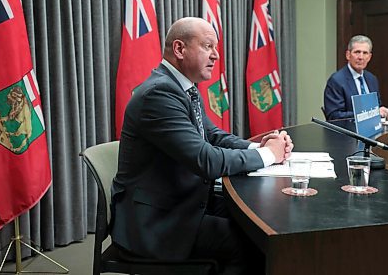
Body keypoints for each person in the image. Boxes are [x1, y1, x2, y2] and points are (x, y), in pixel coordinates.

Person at [110, 17, 293, 275]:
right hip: (155, 221)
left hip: (182, 200)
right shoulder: (159, 94)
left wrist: (257, 148)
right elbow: (207, 161)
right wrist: (268, 155)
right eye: (208, 46)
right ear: (179, 49)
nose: (216, 56)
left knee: (260, 221)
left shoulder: (183, 87)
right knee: (249, 242)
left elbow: (213, 135)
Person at [323, 35, 388, 121]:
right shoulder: (336, 81)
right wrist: (371, 114)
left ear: (369, 57)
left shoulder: (371, 79)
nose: (361, 57)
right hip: (348, 136)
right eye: (357, 52)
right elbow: (334, 116)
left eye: (365, 53)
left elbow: (377, 109)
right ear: (348, 55)